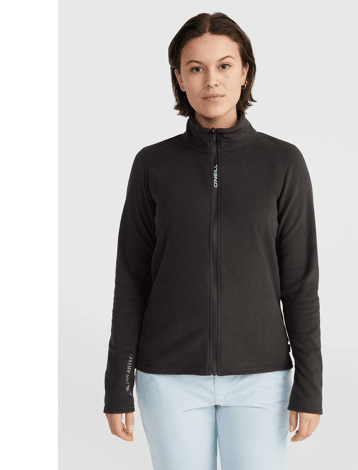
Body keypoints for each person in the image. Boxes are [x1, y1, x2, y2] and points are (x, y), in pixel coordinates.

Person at [104, 11, 323, 470]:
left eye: (225, 65)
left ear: (245, 72)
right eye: (196, 68)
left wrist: (310, 384)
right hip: (167, 378)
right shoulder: (152, 165)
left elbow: (300, 283)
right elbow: (131, 281)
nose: (212, 81)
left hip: (262, 378)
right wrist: (117, 384)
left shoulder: (283, 163)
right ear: (179, 78)